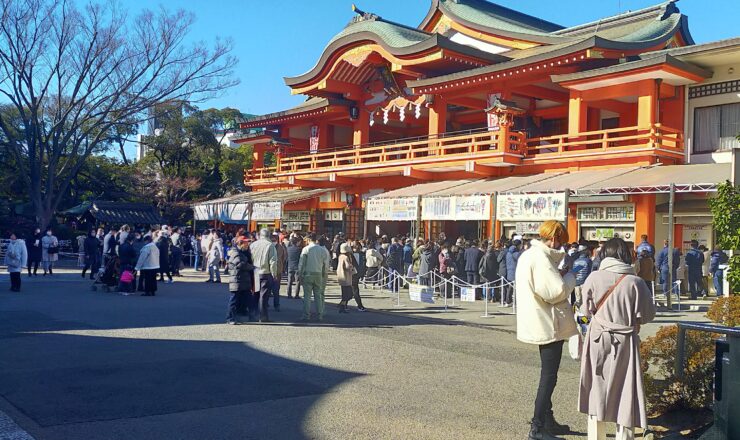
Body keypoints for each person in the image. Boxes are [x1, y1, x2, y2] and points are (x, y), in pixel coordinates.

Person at [579, 238, 656, 440]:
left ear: (604, 254)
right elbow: (648, 315)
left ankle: (596, 436)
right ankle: (625, 436)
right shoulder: (635, 282)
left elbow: (583, 313)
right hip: (625, 340)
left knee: (597, 386)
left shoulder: (594, 277)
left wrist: (590, 323)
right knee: (625, 389)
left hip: (597, 338)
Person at [515, 220, 577, 440]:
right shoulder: (541, 258)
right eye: (561, 240)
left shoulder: (529, 255)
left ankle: (547, 420)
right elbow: (555, 292)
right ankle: (538, 426)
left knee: (548, 373)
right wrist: (570, 277)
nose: (561, 245)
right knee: (549, 375)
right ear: (554, 238)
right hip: (548, 322)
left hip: (537, 319)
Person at [298, 232, 331, 321]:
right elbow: (325, 264)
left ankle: (306, 315)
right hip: (319, 274)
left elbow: (302, 263)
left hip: (308, 274)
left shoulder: (306, 249)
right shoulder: (322, 250)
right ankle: (320, 314)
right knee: (318, 296)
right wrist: (323, 274)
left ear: (309, 239)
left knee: (307, 296)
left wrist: (300, 274)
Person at [250, 229, 278, 321]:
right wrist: (274, 274)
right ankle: (263, 316)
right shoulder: (270, 245)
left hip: (255, 272)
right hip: (265, 273)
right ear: (269, 236)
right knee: (264, 296)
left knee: (255, 295)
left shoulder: (253, 244)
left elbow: (249, 258)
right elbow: (273, 261)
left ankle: (252, 315)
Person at [227, 237, 255, 324]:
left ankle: (252, 316)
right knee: (234, 300)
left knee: (249, 299)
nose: (247, 245)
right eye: (246, 243)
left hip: (242, 281)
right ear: (240, 243)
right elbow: (240, 265)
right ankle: (230, 318)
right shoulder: (236, 253)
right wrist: (253, 267)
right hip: (237, 280)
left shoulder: (240, 252)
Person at [337, 242, 357, 313]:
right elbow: (348, 266)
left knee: (345, 293)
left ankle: (342, 306)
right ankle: (342, 306)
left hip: (341, 276)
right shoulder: (346, 257)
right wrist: (352, 267)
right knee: (348, 294)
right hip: (346, 276)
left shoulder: (340, 256)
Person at [503, 240, 522, 307]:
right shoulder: (515, 253)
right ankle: (515, 302)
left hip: (509, 271)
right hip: (515, 271)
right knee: (515, 288)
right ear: (518, 245)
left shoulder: (508, 252)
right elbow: (519, 258)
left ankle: (508, 301)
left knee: (510, 288)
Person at [272, 232, 288, 311]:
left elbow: (284, 257)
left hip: (277, 270)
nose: (273, 241)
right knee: (271, 289)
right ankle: (267, 304)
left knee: (276, 289)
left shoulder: (280, 247)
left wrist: (281, 266)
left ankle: (276, 305)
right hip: (270, 270)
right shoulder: (279, 247)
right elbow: (284, 257)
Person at [350, 241, 367, 311]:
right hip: (352, 274)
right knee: (354, 290)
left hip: (357, 274)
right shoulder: (350, 254)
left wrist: (362, 273)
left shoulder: (362, 254)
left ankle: (343, 304)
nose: (358, 247)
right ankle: (359, 305)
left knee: (352, 289)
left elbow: (363, 264)